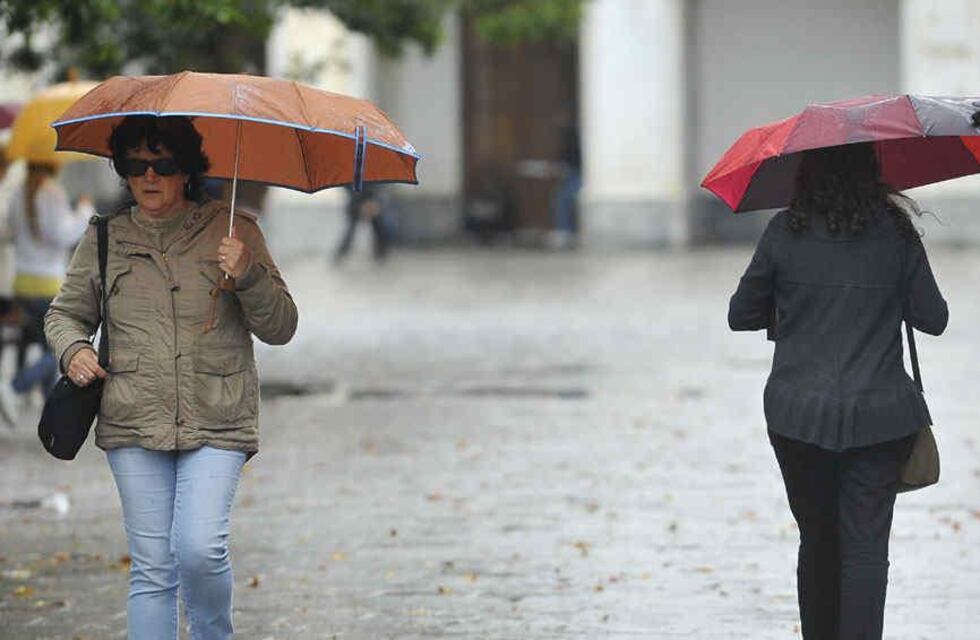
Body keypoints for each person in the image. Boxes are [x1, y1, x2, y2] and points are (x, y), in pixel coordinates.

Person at [45, 115, 298, 639]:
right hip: (133, 416)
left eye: (163, 164)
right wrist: (72, 350)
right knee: (153, 567)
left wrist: (247, 273)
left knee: (200, 549)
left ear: (187, 169)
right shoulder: (104, 238)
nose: (149, 176)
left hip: (218, 414)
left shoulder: (235, 231)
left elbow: (281, 327)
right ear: (123, 171)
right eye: (136, 165)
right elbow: (64, 314)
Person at [728, 142, 948, 639]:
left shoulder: (785, 231)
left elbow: (740, 314)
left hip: (796, 415)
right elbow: (934, 319)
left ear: (806, 174)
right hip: (881, 416)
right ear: (873, 171)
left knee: (817, 541)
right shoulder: (896, 234)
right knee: (867, 549)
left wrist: (794, 304)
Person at [0, 160, 92, 426]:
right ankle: (15, 387)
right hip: (48, 284)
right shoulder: (52, 192)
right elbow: (64, 235)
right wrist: (84, 210)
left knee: (43, 345)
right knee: (58, 349)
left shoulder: (18, 192)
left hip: (22, 283)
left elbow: (11, 231)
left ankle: (48, 412)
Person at [332, 183, 388, 263]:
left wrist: (374, 201)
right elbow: (346, 185)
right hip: (357, 201)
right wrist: (361, 201)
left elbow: (381, 186)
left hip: (372, 201)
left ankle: (381, 256)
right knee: (350, 231)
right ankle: (340, 256)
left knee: (380, 229)